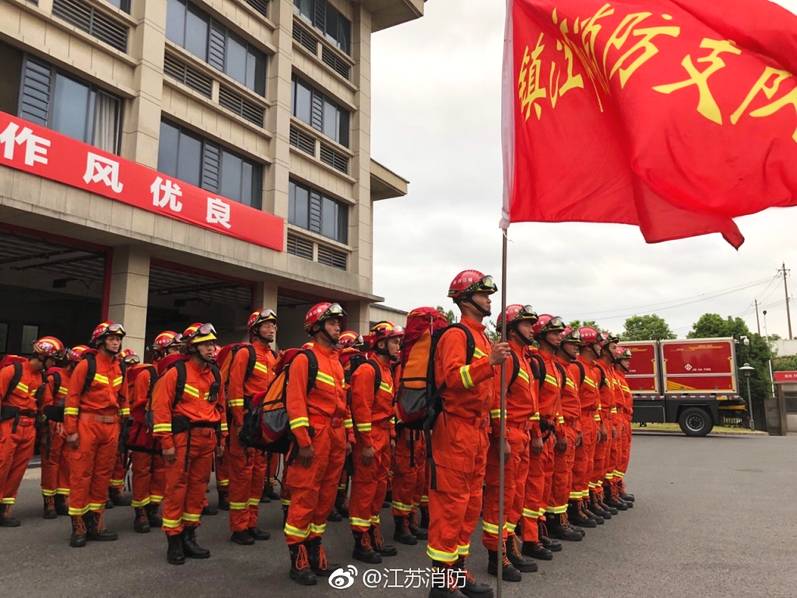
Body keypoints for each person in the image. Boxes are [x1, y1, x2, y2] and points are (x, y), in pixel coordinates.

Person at [427, 270, 510, 598]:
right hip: (455, 430)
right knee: (450, 505)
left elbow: (488, 393)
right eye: (483, 293)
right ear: (465, 299)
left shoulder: (484, 337)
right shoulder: (455, 336)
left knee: (470, 506)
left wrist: (497, 434)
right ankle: (440, 583)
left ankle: (458, 574)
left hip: (478, 432)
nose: (489, 298)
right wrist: (487, 363)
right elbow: (450, 379)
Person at [283, 302, 348, 586]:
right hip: (313, 440)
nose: (338, 327)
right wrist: (304, 442)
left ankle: (314, 551)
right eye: (333, 323)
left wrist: (346, 439)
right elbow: (295, 403)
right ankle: (298, 561)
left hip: (334, 440)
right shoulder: (304, 359)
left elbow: (342, 405)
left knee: (324, 499)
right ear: (318, 326)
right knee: (304, 498)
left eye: (338, 323)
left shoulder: (335, 360)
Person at [152, 322, 226, 565]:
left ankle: (189, 536)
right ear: (192, 347)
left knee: (197, 490)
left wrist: (222, 438)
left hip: (206, 439)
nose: (211, 348)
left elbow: (220, 407)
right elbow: (161, 410)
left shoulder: (215, 373)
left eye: (213, 344)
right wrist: (167, 444)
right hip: (183, 440)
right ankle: (174, 541)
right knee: (176, 490)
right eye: (206, 344)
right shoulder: (176, 373)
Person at [481, 305, 539, 581]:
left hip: (522, 433)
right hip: (509, 434)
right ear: (512, 328)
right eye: (526, 324)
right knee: (499, 498)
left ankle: (510, 545)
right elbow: (497, 399)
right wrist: (501, 436)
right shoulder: (507, 357)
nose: (532, 328)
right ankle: (496, 555)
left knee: (515, 495)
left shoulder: (523, 358)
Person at [65, 321, 127, 547]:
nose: (116, 342)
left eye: (118, 339)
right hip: (87, 424)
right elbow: (72, 400)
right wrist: (71, 430)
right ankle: (78, 525)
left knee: (102, 475)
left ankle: (97, 523)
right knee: (81, 474)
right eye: (111, 339)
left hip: (111, 426)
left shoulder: (120, 367)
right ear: (100, 341)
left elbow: (124, 399)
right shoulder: (86, 365)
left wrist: (123, 428)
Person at [349, 321, 403, 563]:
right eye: (394, 341)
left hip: (382, 435)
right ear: (381, 343)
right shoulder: (367, 371)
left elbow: (388, 408)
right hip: (370, 437)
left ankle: (373, 535)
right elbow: (361, 410)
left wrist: (390, 436)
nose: (398, 345)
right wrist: (367, 444)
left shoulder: (386, 370)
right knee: (364, 489)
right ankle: (361, 542)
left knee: (379, 488)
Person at [226, 309, 278, 545]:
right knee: (242, 474)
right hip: (246, 421)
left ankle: (251, 522)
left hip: (263, 422)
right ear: (255, 329)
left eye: (273, 326)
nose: (272, 329)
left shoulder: (272, 356)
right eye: (267, 325)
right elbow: (235, 390)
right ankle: (239, 527)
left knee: (258, 473)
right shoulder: (246, 353)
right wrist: (238, 422)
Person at [0, 336, 65, 526]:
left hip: (29, 429)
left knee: (17, 470)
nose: (54, 364)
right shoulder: (11, 372)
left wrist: (66, 415)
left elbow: (46, 406)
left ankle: (4, 511)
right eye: (53, 359)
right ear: (44, 356)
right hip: (9, 426)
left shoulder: (42, 379)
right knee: (2, 465)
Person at [127, 333, 179, 533]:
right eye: (174, 349)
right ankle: (140, 512)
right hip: (145, 430)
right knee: (142, 471)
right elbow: (138, 404)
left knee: (160, 471)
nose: (177, 353)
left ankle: (153, 508)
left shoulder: (175, 373)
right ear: (163, 351)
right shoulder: (146, 374)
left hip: (163, 429)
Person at [39, 344, 87, 519]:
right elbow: (46, 405)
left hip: (69, 425)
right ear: (73, 363)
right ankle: (49, 500)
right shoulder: (55, 378)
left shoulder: (80, 381)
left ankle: (62, 498)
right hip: (54, 426)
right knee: (51, 463)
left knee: (68, 462)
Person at [612, 347, 635, 504]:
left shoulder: (621, 378)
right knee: (612, 459)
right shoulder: (614, 377)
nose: (629, 362)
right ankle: (612, 491)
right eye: (625, 359)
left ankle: (618, 487)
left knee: (621, 458)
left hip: (624, 420)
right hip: (617, 419)